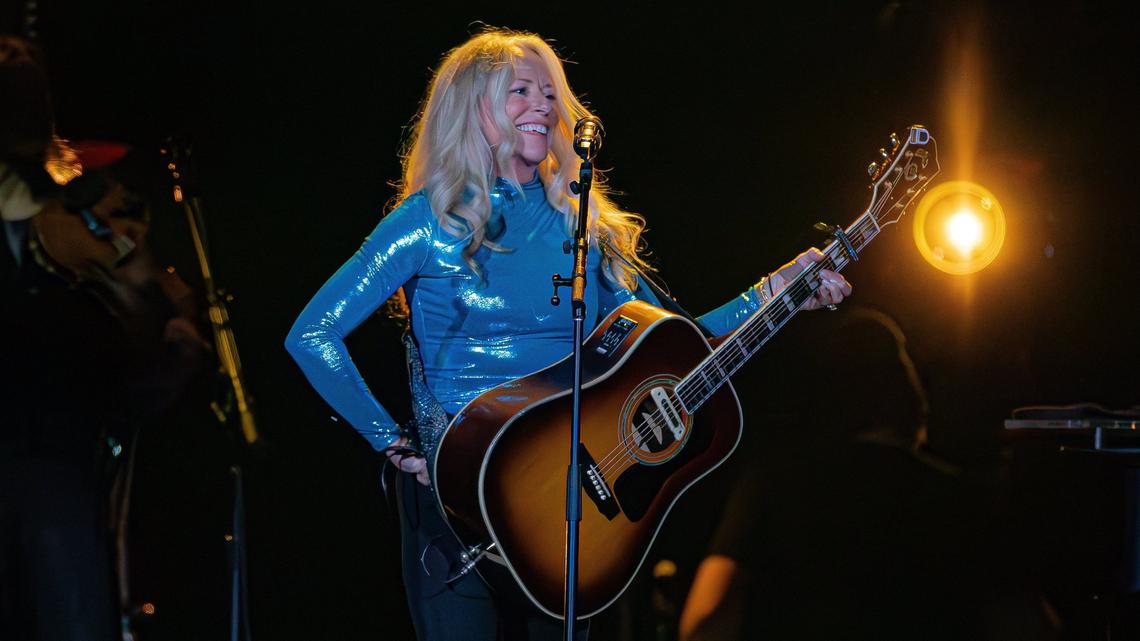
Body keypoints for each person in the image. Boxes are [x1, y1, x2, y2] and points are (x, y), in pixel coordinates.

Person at [285, 28, 851, 641]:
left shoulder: (582, 225)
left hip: (563, 503)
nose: (543, 106)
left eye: (550, 92)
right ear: (473, 107)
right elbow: (312, 333)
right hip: (452, 499)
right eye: (519, 91)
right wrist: (394, 446)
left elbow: (677, 345)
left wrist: (777, 291)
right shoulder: (427, 221)